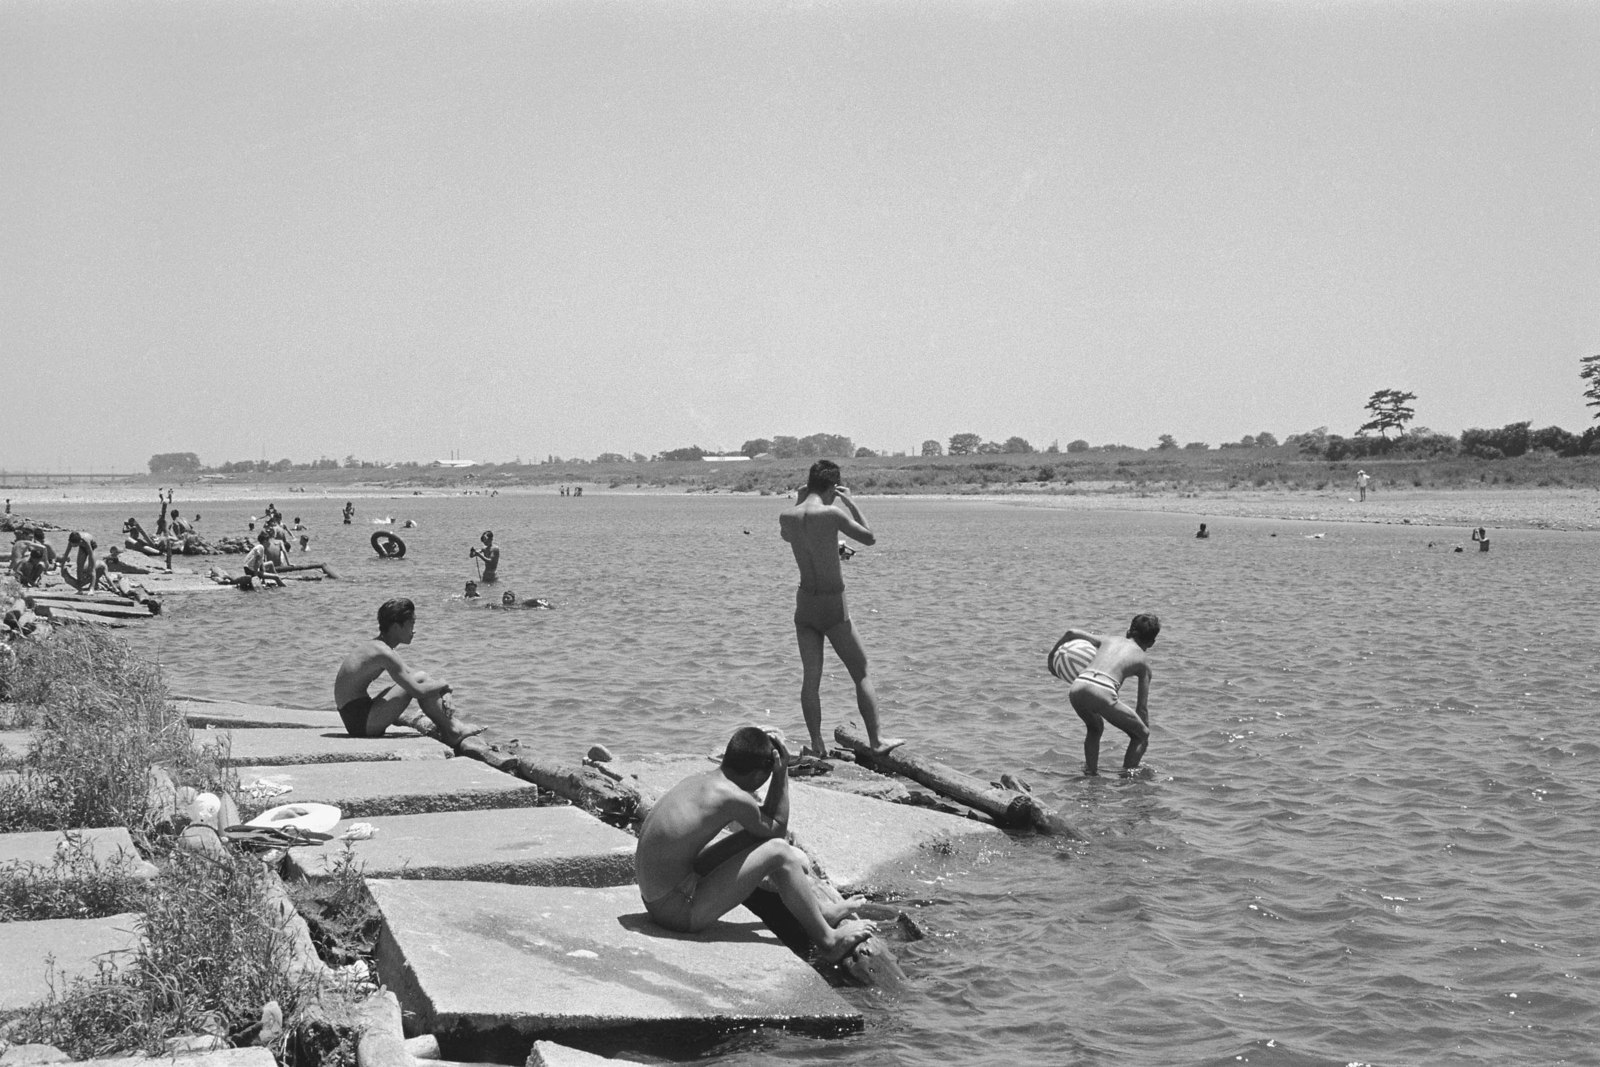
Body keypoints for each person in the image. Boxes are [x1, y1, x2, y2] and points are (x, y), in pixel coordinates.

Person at [634, 725, 874, 964]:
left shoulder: (701, 780)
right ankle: (828, 940)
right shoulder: (732, 797)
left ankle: (819, 912)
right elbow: (778, 827)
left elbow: (766, 830)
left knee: (758, 837)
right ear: (759, 775)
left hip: (659, 897)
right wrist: (781, 774)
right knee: (779, 852)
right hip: (677, 910)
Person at [779, 460, 902, 759]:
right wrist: (851, 501)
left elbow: (788, 535)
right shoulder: (833, 513)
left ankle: (817, 745)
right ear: (833, 487)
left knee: (811, 678)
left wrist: (799, 498)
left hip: (805, 605)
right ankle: (876, 742)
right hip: (833, 606)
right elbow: (869, 538)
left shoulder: (787, 516)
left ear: (808, 484)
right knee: (860, 672)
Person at [333, 598, 475, 740]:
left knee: (420, 677)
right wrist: (444, 683)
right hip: (362, 723)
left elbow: (411, 674)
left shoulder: (378, 647)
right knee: (420, 678)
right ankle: (453, 730)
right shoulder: (384, 653)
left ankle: (450, 727)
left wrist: (446, 691)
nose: (414, 630)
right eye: (411, 624)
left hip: (356, 719)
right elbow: (417, 691)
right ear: (396, 627)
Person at [1049, 614, 1160, 776]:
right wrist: (1143, 735)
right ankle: (1126, 780)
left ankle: (1090, 774)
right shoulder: (1143, 663)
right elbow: (1141, 708)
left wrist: (1051, 658)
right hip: (1102, 690)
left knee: (1095, 728)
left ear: (1128, 632)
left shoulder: (1109, 640)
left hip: (1077, 686)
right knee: (1141, 735)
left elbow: (1071, 632)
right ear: (1151, 643)